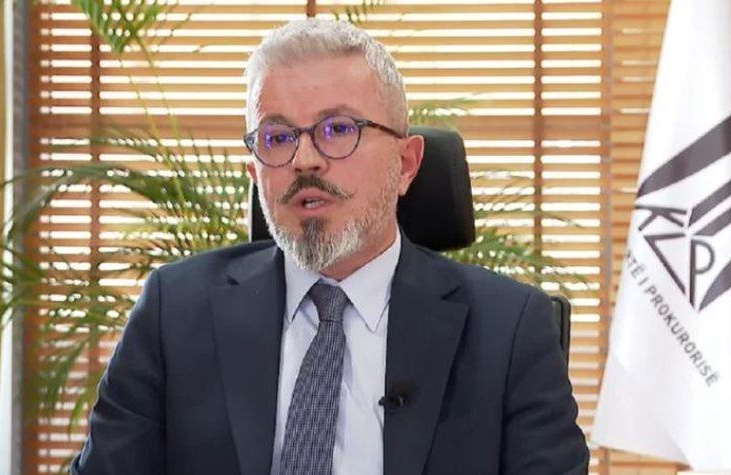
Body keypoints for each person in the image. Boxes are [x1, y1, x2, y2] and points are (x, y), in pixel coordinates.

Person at [71, 19, 589, 475]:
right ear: (255, 173)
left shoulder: (509, 329)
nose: (305, 160)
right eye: (278, 138)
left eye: (338, 129)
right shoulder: (174, 310)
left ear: (406, 165)